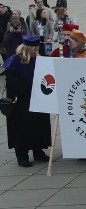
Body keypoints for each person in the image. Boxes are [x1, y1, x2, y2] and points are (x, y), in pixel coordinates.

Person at [2, 35, 51, 166]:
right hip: (21, 102)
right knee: (22, 129)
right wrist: (30, 83)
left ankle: (38, 151)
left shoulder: (38, 59)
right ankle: (22, 155)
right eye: (34, 49)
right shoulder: (15, 61)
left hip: (37, 99)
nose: (36, 51)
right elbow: (12, 84)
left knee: (38, 125)